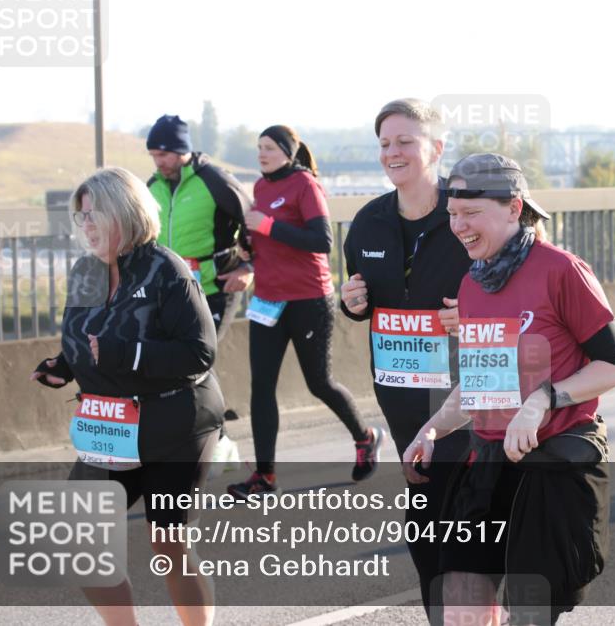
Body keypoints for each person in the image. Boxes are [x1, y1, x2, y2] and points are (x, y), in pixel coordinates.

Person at [403, 153, 615, 625]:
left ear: (513, 207)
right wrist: (433, 428)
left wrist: (542, 399)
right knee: (460, 606)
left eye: (471, 213)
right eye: (452, 214)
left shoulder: (561, 270)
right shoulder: (472, 284)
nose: (458, 225)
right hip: (488, 460)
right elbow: (483, 382)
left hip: (554, 459)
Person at [30, 167, 224, 626]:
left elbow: (200, 352)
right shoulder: (85, 272)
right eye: (81, 218)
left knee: (168, 543)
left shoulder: (167, 269)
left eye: (95, 214)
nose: (87, 226)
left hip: (176, 422)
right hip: (112, 426)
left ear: (126, 212)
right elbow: (89, 338)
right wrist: (66, 365)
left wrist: (128, 354)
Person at [339, 98, 472, 620]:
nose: (392, 153)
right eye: (385, 144)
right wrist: (350, 303)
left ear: (437, 149)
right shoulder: (367, 223)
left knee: (452, 514)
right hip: (398, 389)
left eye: (405, 142)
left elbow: (516, 293)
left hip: (466, 389)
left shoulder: (466, 215)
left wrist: (475, 315)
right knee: (429, 515)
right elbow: (361, 298)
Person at [227, 125, 383, 497]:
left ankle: (365, 437)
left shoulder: (304, 185)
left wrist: (268, 225)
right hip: (267, 300)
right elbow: (266, 240)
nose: (261, 154)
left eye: (268, 148)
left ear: (287, 151)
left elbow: (320, 240)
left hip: (309, 300)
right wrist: (249, 248)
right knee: (261, 387)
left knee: (319, 383)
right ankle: (264, 476)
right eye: (258, 148)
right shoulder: (261, 188)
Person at [146, 114, 254, 344]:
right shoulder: (152, 186)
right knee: (177, 364)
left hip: (215, 288)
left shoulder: (216, 180)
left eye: (163, 154)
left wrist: (248, 268)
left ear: (181, 149)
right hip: (171, 291)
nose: (158, 162)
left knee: (199, 358)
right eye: (153, 155)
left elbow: (254, 222)